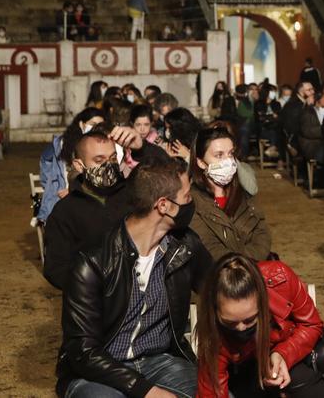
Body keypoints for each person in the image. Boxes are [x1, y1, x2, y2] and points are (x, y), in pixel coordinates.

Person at [55, 157, 210, 398]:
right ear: (163, 205)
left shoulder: (185, 246)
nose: (192, 203)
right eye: (187, 197)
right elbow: (82, 352)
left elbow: (220, 290)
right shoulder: (92, 260)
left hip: (160, 361)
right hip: (99, 371)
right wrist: (147, 391)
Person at [195, 254, 324, 398]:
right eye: (230, 322)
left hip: (287, 351)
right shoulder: (211, 333)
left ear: (262, 299)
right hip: (243, 371)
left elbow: (311, 324)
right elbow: (211, 390)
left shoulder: (280, 277)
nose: (241, 328)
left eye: (250, 320)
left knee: (303, 381)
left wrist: (282, 355)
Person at [43, 125, 164, 291]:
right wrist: (93, 285)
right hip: (93, 306)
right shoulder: (65, 211)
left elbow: (171, 176)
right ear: (79, 165)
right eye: (99, 161)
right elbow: (55, 268)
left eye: (113, 158)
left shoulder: (135, 193)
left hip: (142, 294)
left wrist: (142, 148)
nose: (108, 165)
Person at [188, 125, 271, 262]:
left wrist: (247, 262)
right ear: (201, 163)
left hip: (252, 268)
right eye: (219, 155)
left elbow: (262, 234)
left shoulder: (242, 193)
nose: (228, 161)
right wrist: (239, 264)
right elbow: (209, 246)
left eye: (230, 153)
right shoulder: (192, 201)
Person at [37, 108, 106, 224]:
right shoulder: (64, 143)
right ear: (81, 124)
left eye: (100, 125)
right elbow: (46, 159)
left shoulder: (105, 145)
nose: (96, 128)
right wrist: (52, 185)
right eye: (92, 124)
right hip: (64, 198)